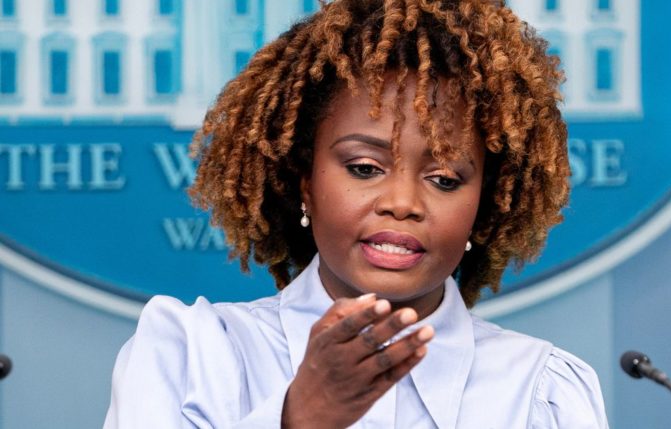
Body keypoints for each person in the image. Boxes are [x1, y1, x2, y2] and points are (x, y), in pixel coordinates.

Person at [104, 0, 608, 427]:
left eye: (445, 179)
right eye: (365, 168)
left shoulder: (543, 393)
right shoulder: (193, 357)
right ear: (305, 180)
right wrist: (298, 418)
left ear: (485, 203)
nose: (402, 203)